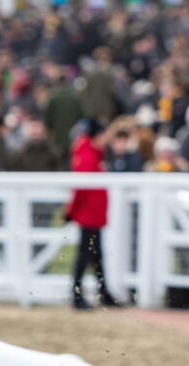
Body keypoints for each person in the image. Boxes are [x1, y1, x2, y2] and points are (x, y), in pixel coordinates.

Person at [65, 119, 119, 310]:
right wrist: (72, 211)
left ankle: (102, 292)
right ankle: (78, 294)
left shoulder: (92, 153)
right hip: (88, 215)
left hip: (92, 214)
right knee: (86, 255)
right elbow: (81, 188)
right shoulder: (88, 155)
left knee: (95, 254)